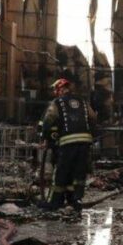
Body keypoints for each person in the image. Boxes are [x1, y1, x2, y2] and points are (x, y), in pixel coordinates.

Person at [38, 78, 96, 211]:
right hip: (85, 141)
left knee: (61, 171)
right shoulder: (83, 101)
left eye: (56, 90)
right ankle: (75, 200)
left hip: (67, 142)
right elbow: (93, 117)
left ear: (61, 89)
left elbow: (48, 120)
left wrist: (44, 136)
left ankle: (54, 202)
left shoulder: (57, 103)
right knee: (78, 172)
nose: (55, 93)